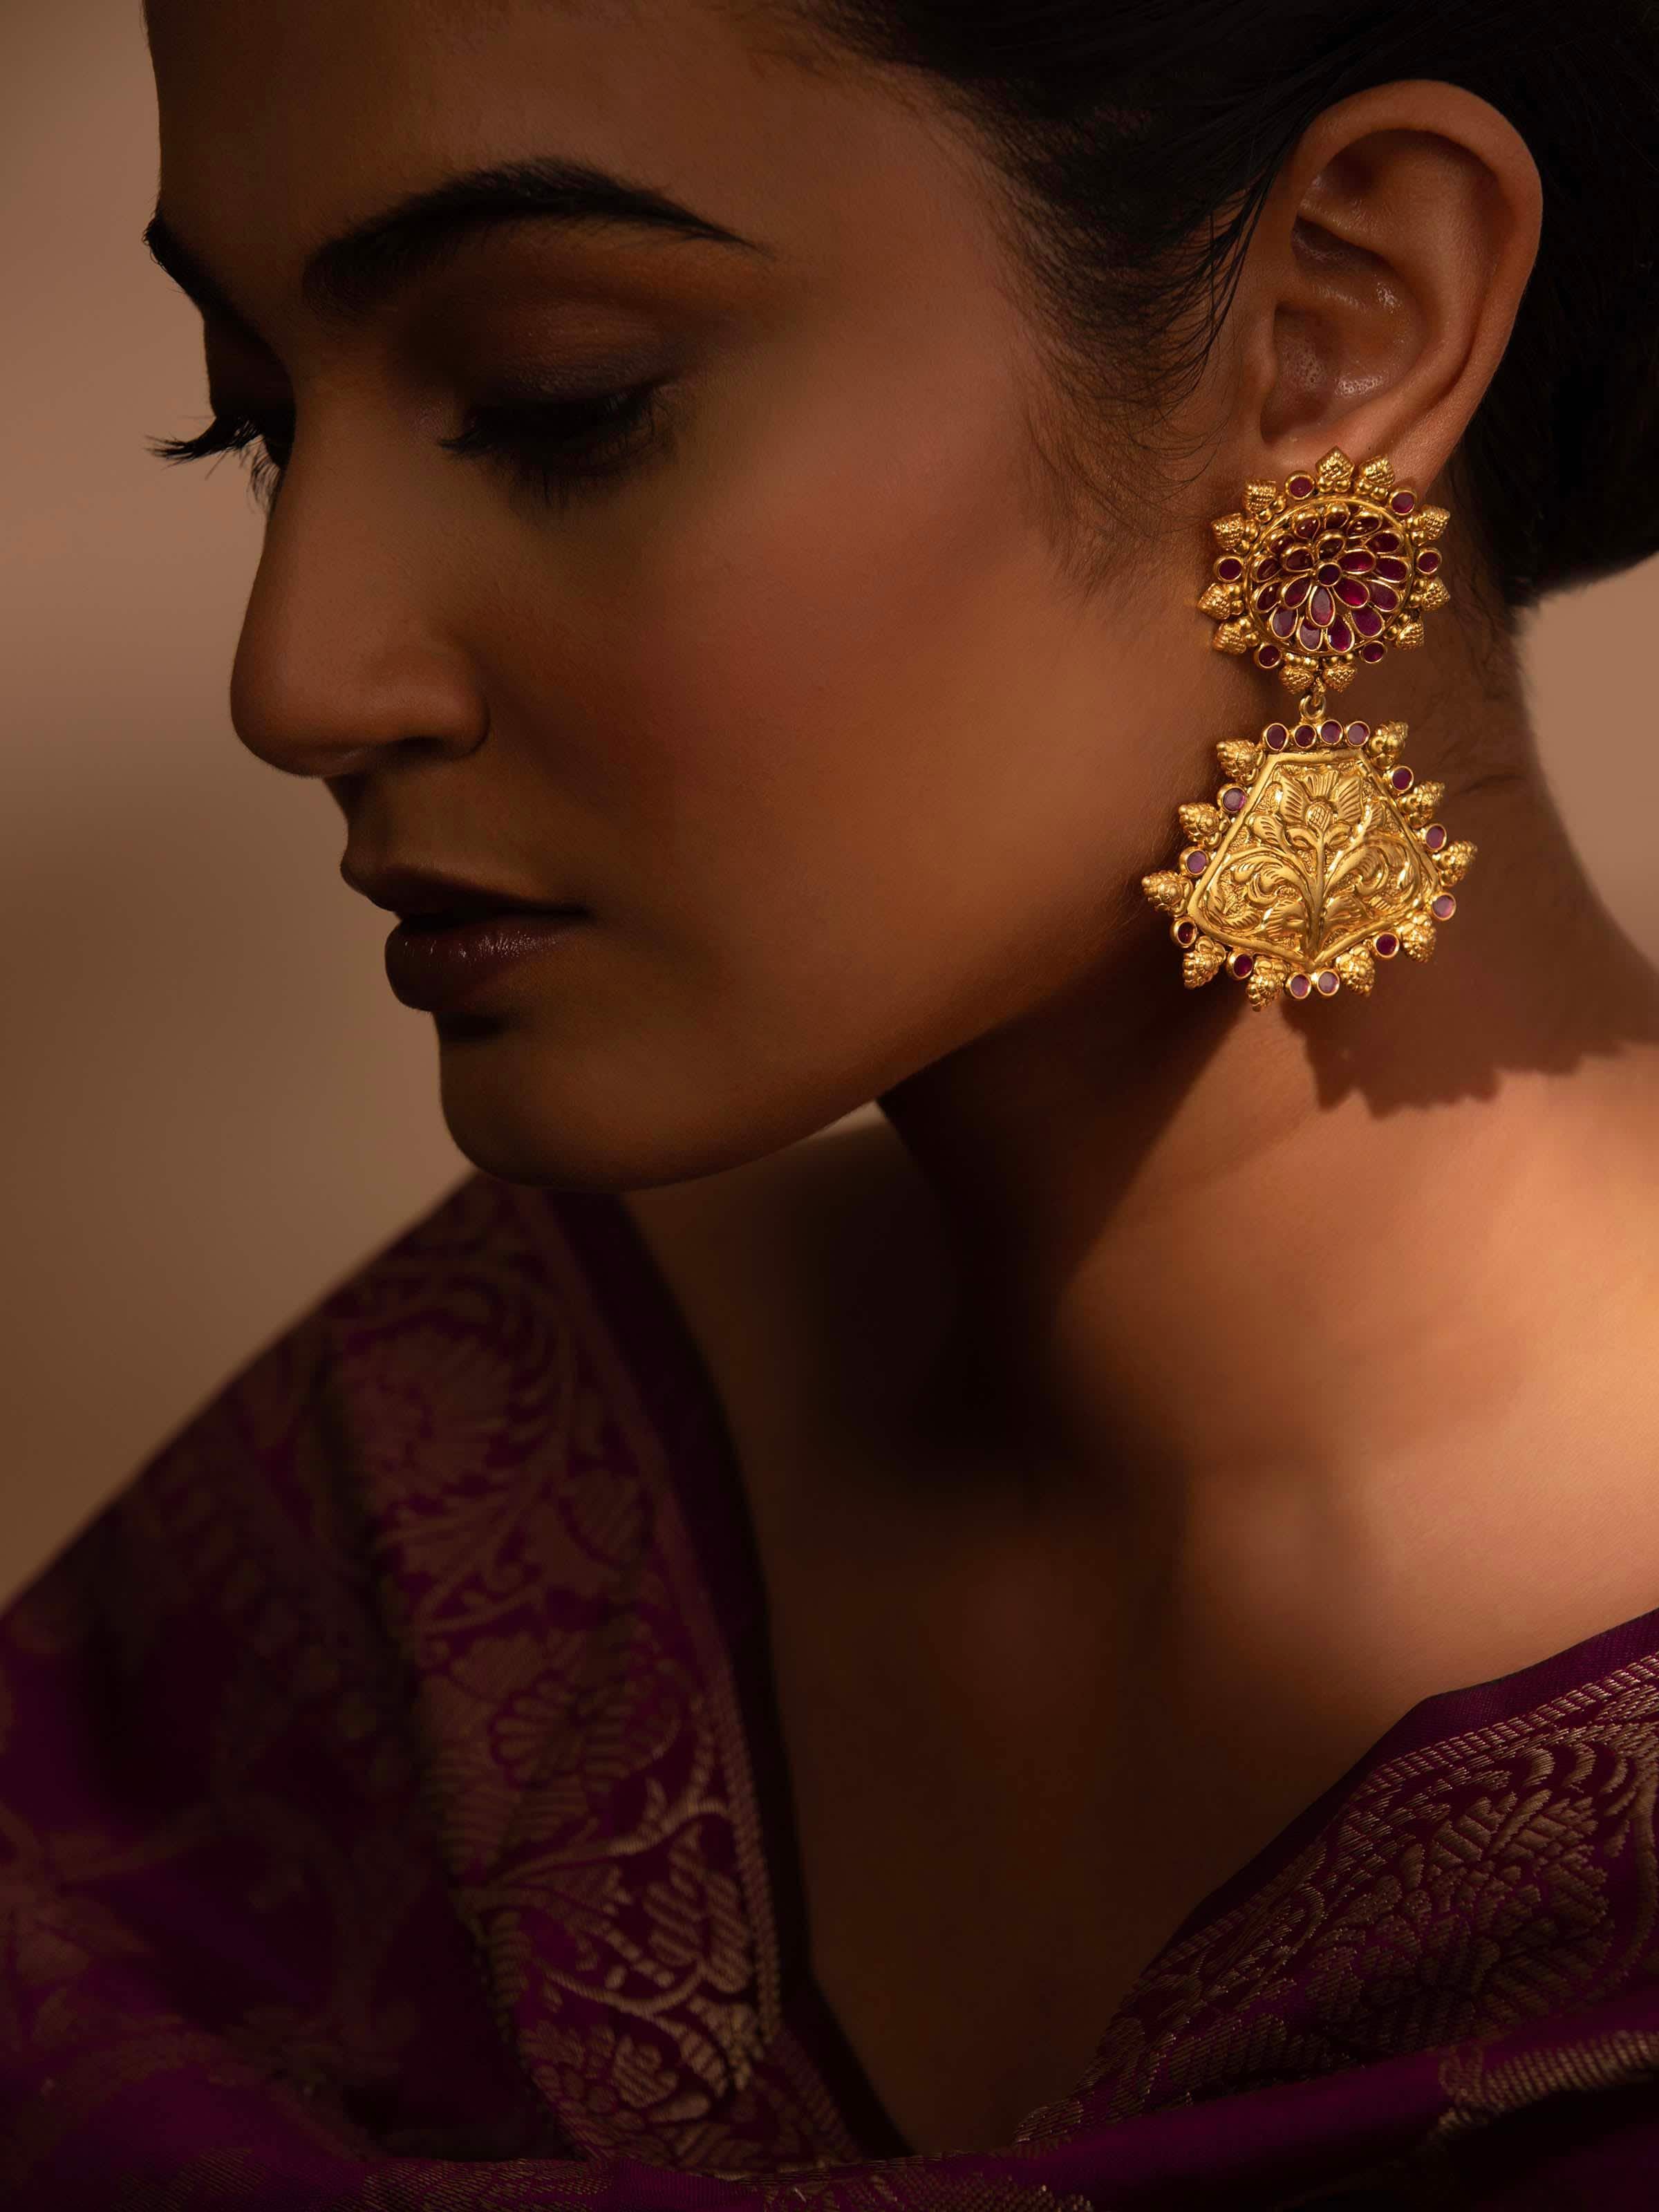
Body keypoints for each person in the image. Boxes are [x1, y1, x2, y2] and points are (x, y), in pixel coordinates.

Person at [5, 0, 1659, 2202]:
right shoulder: (467, 1469)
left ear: (1341, 326)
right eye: (257, 430)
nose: (296, 675)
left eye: (554, 402)